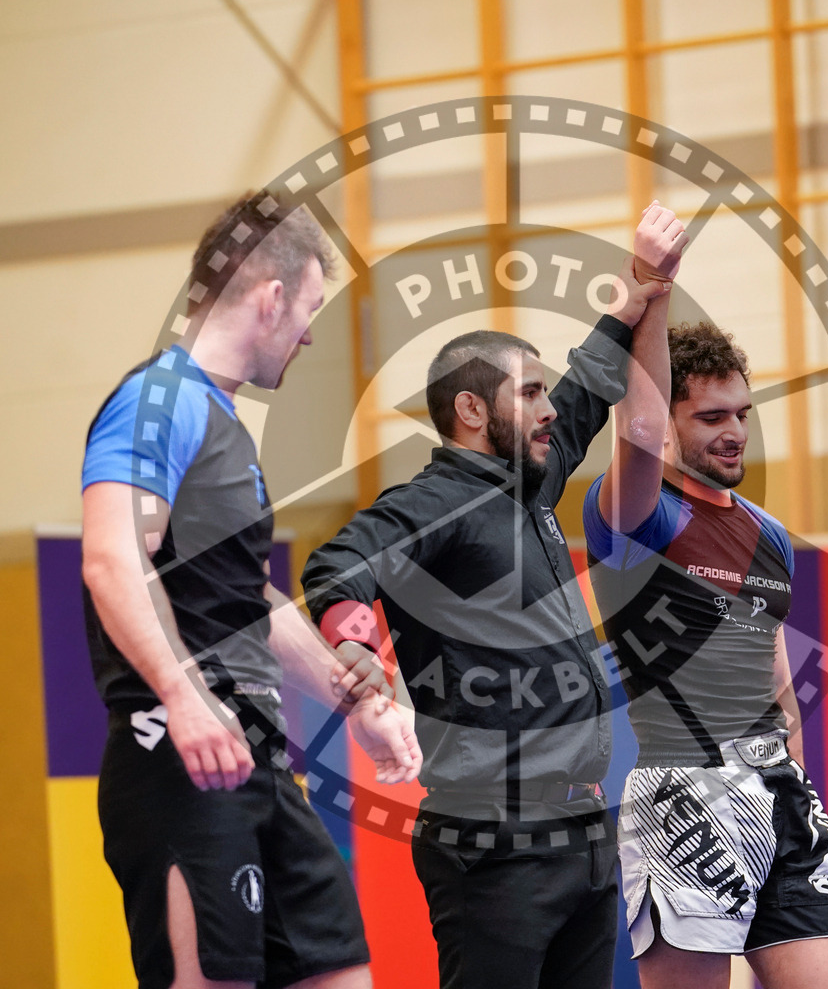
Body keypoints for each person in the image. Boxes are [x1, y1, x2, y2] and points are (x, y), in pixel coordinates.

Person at [299, 217, 678, 989]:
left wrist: (643, 288)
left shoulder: (531, 479)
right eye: (528, 394)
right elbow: (338, 564)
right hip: (494, 837)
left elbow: (589, 387)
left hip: (579, 829)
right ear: (473, 411)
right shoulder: (433, 503)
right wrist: (351, 649)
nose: (549, 412)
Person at [81, 189, 422, 989]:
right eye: (308, 310)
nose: (309, 335)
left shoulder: (221, 420)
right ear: (271, 297)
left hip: (257, 756)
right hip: (176, 755)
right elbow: (110, 559)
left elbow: (247, 602)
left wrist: (358, 700)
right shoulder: (156, 402)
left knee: (342, 972)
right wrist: (186, 692)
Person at [582, 203, 828, 989]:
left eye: (742, 413)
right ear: (668, 427)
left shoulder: (769, 534)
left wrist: (797, 784)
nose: (734, 431)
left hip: (781, 793)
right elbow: (631, 427)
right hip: (683, 792)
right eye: (710, 418)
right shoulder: (637, 515)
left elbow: (778, 684)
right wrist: (655, 289)